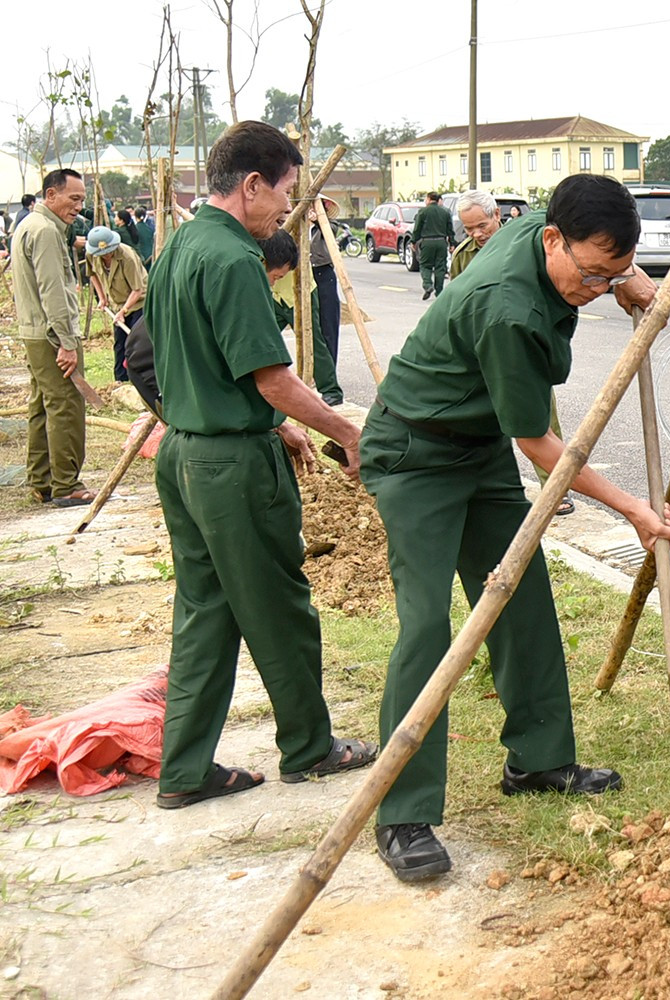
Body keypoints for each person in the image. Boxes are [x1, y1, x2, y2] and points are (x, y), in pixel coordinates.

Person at [358, 173, 670, 882]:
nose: (594, 289)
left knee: (520, 598)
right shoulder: (508, 308)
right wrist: (630, 507)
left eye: (610, 274)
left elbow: (593, 252)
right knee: (425, 627)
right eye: (589, 275)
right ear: (552, 240)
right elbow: (539, 444)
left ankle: (538, 761)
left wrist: (624, 279)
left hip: (476, 447)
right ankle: (402, 812)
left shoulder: (556, 220)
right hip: (414, 453)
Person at [146, 120, 376, 809]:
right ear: (251, 186)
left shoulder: (180, 245)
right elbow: (270, 377)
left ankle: (184, 769)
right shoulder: (235, 259)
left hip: (183, 455)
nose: (288, 211)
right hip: (231, 469)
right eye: (285, 194)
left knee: (204, 614)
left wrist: (277, 424)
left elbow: (192, 360)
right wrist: (346, 432)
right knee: (279, 609)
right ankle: (309, 747)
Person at [447, 189, 576, 516]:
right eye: (469, 229)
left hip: (522, 346)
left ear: (497, 218)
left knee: (541, 421)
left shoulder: (524, 246)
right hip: (482, 350)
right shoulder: (463, 256)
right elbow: (456, 303)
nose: (476, 234)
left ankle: (555, 488)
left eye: (481, 226)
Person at [12, 169, 93, 507]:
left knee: (42, 405)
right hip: (51, 335)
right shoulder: (44, 231)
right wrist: (67, 342)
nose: (78, 207)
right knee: (65, 405)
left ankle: (42, 479)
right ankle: (66, 485)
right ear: (50, 195)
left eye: (82, 200)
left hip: (35, 332)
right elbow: (53, 292)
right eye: (73, 199)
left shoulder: (30, 226)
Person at [260, 229, 344, 406]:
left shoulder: (293, 225)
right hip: (275, 295)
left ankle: (331, 390)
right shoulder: (257, 233)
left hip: (299, 291)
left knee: (312, 341)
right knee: (262, 337)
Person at [85, 225, 147, 382]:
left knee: (137, 343)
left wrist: (124, 311)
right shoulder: (91, 255)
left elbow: (137, 290)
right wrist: (102, 297)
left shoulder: (127, 257)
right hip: (117, 303)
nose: (106, 256)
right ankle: (121, 380)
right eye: (102, 254)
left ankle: (141, 380)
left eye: (108, 252)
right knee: (120, 343)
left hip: (139, 302)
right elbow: (92, 275)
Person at [308, 203, 342, 389]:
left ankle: (329, 372)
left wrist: (318, 220)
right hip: (305, 276)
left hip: (324, 275)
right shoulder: (301, 226)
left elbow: (330, 230)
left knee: (328, 323)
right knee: (312, 327)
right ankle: (313, 371)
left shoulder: (328, 225)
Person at [409, 190, 452, 300]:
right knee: (440, 267)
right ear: (438, 200)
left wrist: (413, 241)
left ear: (428, 199)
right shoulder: (445, 212)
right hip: (441, 242)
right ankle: (439, 292)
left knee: (425, 265)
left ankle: (428, 285)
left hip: (427, 242)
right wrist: (452, 243)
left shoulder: (423, 212)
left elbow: (417, 228)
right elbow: (450, 230)